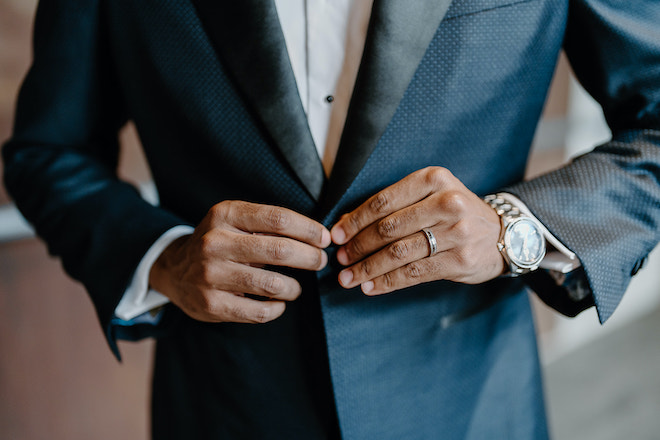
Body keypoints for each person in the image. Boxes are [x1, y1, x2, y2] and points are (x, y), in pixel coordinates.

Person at [3, 0, 660, 438]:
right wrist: (160, 256)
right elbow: (48, 151)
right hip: (225, 407)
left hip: (470, 405)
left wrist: (512, 229)